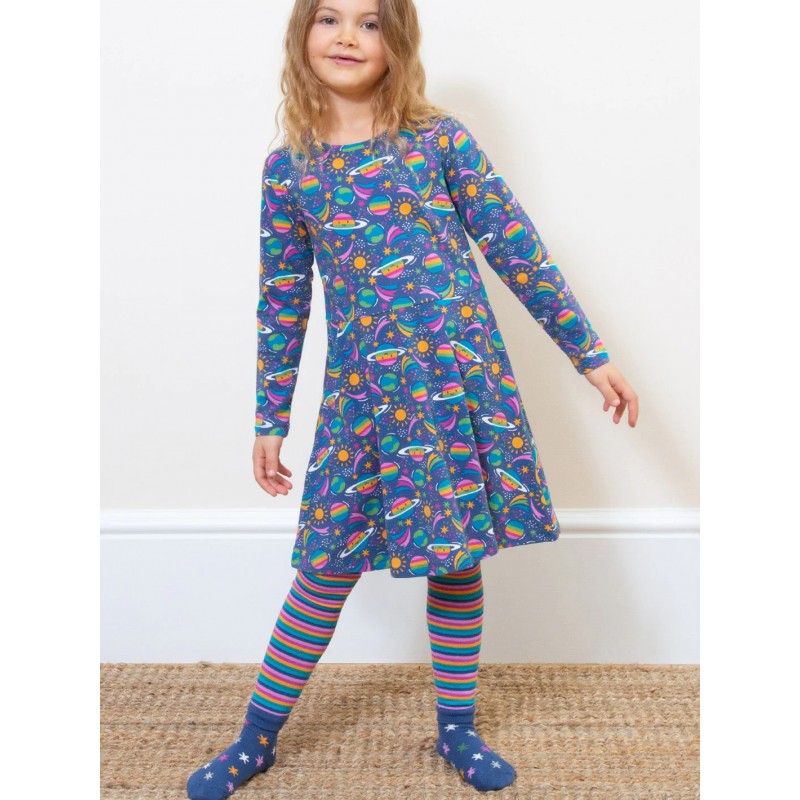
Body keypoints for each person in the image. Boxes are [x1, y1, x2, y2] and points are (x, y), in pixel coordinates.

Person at [186, 0, 639, 796]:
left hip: (456, 390)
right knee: (323, 568)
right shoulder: (289, 171)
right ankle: (256, 737)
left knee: (454, 562)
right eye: (329, 18)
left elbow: (517, 248)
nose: (348, 36)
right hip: (362, 404)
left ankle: (456, 727)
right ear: (301, 35)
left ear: (397, 42)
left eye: (370, 22)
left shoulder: (438, 142)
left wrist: (589, 354)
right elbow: (282, 302)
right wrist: (269, 417)